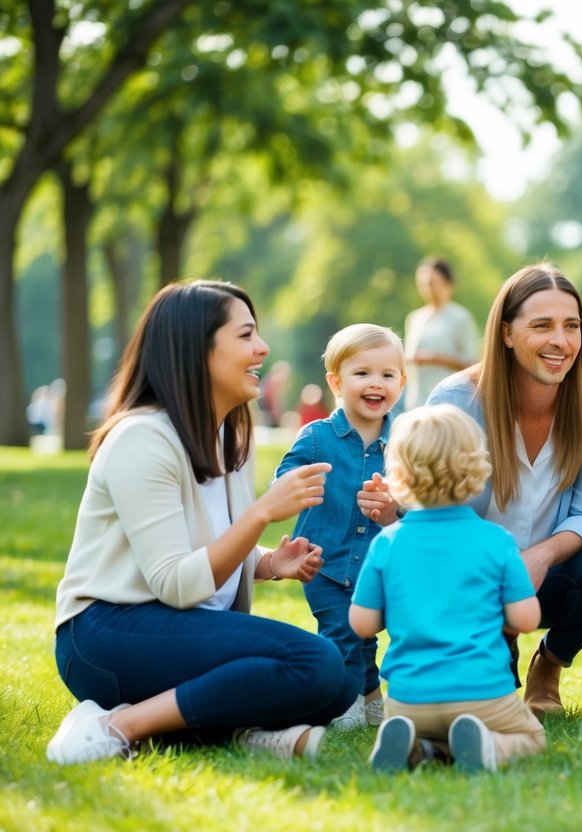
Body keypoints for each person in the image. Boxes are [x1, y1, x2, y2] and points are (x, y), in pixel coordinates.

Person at [47, 280, 356, 766]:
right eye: (246, 335)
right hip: (105, 635)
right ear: (197, 349)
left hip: (184, 623)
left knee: (338, 686)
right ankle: (113, 725)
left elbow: (204, 548)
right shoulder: (142, 440)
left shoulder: (231, 436)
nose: (263, 348)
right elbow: (174, 581)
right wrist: (261, 513)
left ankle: (231, 732)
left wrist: (270, 563)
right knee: (314, 663)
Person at [367, 263, 582, 719]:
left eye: (572, 326)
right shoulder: (456, 401)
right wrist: (397, 510)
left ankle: (548, 664)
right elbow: (430, 514)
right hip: (470, 574)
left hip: (550, 573)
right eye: (542, 326)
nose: (561, 341)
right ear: (507, 333)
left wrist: (542, 556)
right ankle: (480, 656)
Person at [351, 404, 546, 773]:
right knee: (533, 739)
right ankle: (489, 745)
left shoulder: (388, 543)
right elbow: (526, 617)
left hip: (409, 699)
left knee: (424, 726)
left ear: (400, 473)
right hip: (483, 693)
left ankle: (418, 748)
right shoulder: (496, 541)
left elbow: (362, 624)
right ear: (477, 467)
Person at [276, 324, 406, 731]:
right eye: (362, 373)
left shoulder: (404, 441)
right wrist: (293, 489)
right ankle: (343, 701)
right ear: (335, 382)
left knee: (365, 636)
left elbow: (420, 500)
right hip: (324, 562)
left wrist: (396, 507)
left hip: (377, 567)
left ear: (402, 382)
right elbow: (282, 482)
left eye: (387, 375)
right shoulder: (316, 437)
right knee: (342, 632)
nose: (375, 383)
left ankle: (370, 697)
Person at [402, 257, 479, 411]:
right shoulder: (415, 318)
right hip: (416, 402)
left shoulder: (460, 317)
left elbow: (472, 364)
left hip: (449, 402)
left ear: (447, 283)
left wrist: (435, 358)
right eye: (422, 284)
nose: (427, 288)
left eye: (431, 282)